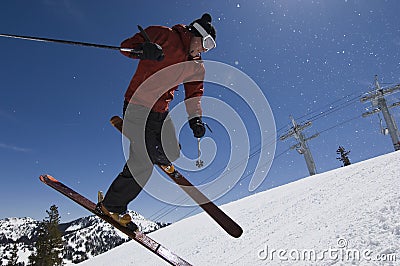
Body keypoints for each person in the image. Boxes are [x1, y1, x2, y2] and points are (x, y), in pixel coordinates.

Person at [99, 14, 217, 226]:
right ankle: (113, 205)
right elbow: (125, 46)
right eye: (206, 43)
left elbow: (194, 95)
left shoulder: (196, 66)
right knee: (143, 161)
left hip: (160, 111)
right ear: (195, 33)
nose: (204, 50)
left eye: (210, 48)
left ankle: (150, 146)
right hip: (137, 104)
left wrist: (195, 120)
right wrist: (144, 49)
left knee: (171, 152)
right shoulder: (163, 35)